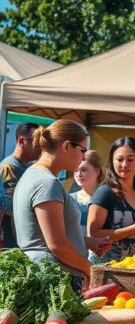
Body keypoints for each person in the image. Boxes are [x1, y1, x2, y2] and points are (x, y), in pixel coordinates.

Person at [13, 120, 110, 287]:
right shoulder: (47, 183)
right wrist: (92, 270)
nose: (82, 157)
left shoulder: (34, 175)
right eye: (82, 150)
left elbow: (41, 235)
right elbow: (56, 245)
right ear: (66, 146)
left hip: (47, 275)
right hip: (54, 279)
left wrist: (86, 241)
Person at [88, 137, 135, 262]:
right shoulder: (105, 193)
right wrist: (133, 229)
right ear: (112, 161)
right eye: (119, 159)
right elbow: (93, 235)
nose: (124, 164)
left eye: (130, 159)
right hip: (106, 270)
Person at [2, 122, 41, 248]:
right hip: (12, 241)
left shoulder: (27, 166)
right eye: (36, 142)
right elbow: (8, 206)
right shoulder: (9, 167)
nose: (40, 147)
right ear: (21, 141)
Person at [71, 150, 103, 240]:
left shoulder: (108, 197)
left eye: (83, 170)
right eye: (76, 170)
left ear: (97, 171)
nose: (78, 174)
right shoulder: (69, 199)